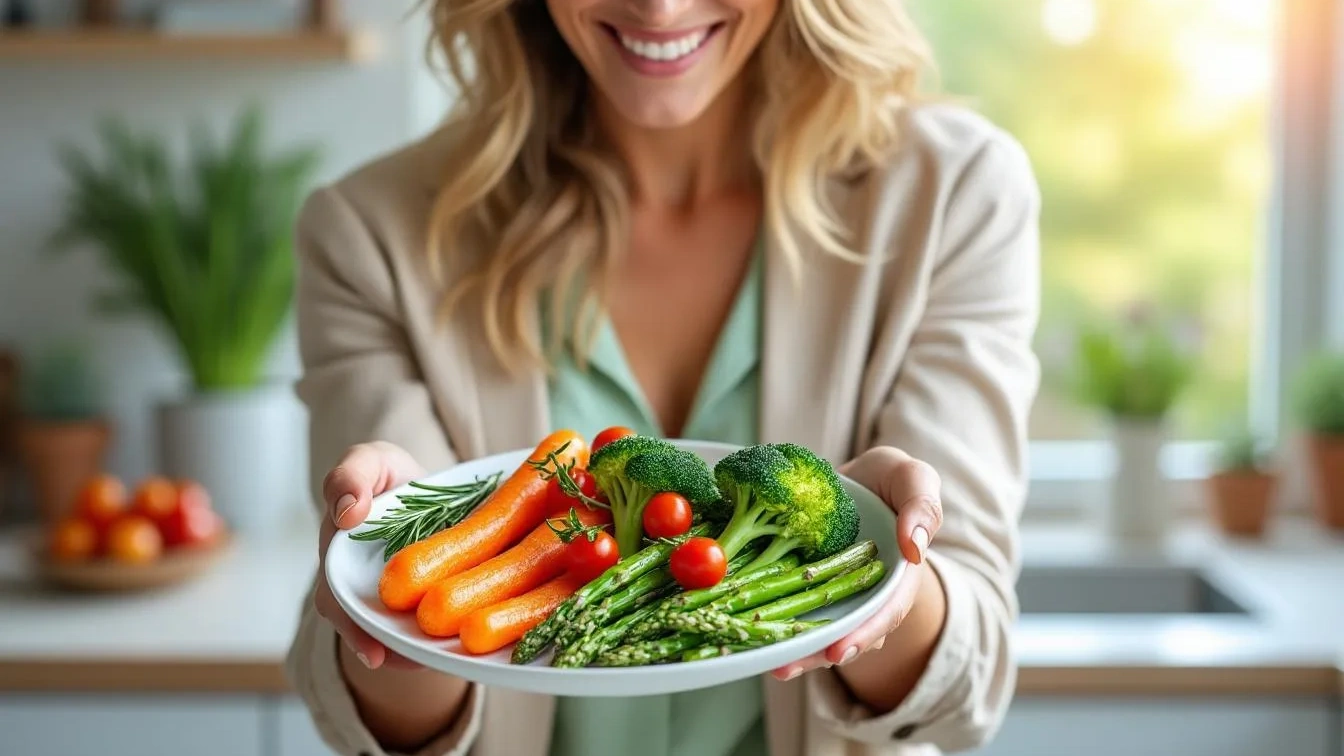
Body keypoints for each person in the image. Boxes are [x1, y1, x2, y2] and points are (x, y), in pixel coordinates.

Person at [284, 0, 1040, 750]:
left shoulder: (953, 195)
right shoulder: (370, 235)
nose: (660, 6)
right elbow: (364, 720)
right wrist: (391, 599)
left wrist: (882, 569)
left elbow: (967, 696)